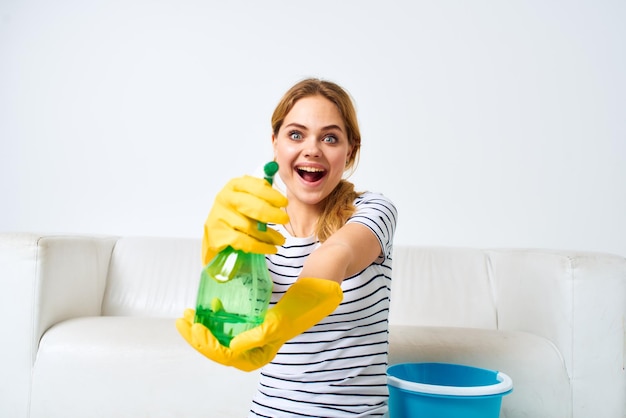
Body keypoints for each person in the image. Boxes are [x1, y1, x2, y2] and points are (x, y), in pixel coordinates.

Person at [176, 78, 398, 417]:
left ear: (350, 149)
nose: (312, 149)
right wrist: (216, 252)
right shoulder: (255, 229)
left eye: (330, 137)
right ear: (275, 143)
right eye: (296, 134)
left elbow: (336, 254)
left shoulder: (373, 210)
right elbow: (225, 301)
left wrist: (286, 317)